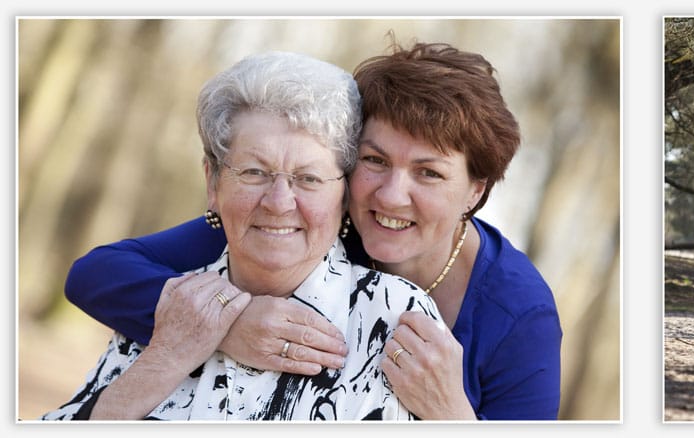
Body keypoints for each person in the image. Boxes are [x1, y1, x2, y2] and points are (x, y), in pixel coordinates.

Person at [62, 40, 562, 420]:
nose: (390, 194)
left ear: (475, 191)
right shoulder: (300, 221)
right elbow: (96, 274)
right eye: (374, 160)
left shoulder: (519, 317)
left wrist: (452, 415)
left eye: (428, 173)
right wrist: (232, 325)